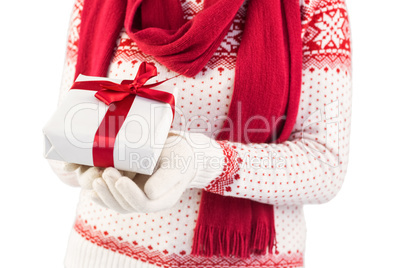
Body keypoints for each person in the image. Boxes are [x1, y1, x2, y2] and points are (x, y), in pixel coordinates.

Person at [48, 0, 352, 267]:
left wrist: (198, 162)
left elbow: (325, 164)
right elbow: (67, 130)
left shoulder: (313, 5)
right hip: (101, 255)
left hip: (242, 261)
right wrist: (84, 164)